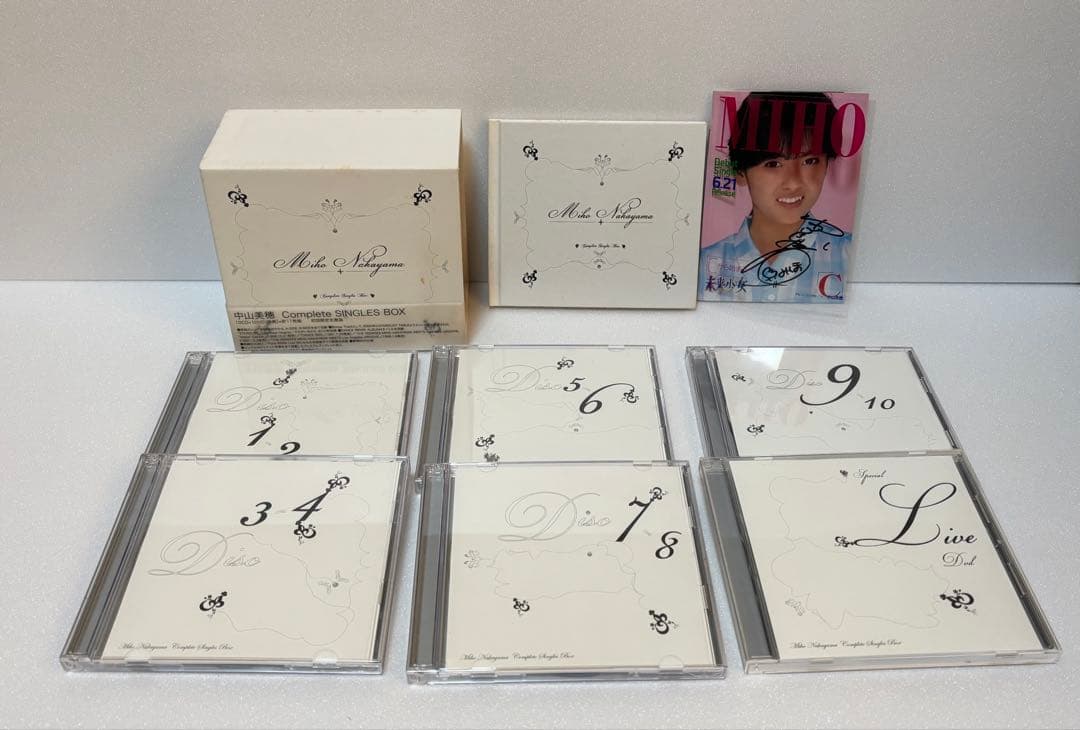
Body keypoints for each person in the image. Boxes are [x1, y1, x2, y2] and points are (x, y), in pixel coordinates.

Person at [698, 91, 851, 303]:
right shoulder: (704, 264)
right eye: (773, 164)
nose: (793, 182)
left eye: (809, 161)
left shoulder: (848, 254)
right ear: (740, 171)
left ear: (827, 164)